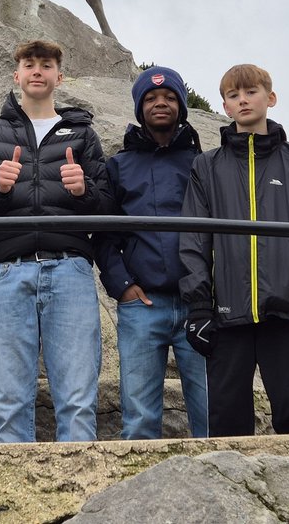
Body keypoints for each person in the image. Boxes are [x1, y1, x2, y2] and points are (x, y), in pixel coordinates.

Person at [179, 63, 289, 437]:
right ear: (225, 107)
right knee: (227, 427)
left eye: (250, 92)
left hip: (287, 312)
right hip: (226, 316)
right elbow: (193, 240)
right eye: (233, 96)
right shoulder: (206, 167)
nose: (242, 100)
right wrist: (200, 305)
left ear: (270, 98)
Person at [0, 39, 111, 442]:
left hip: (72, 269)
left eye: (46, 65)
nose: (37, 71)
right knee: (10, 398)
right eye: (29, 64)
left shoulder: (82, 134)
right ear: (17, 75)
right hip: (9, 271)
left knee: (78, 397)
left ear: (58, 77)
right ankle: (8, 499)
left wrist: (85, 192)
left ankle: (85, 498)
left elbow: (109, 209)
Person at [94, 66, 208, 439]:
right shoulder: (119, 166)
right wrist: (122, 285)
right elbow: (105, 233)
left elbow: (220, 232)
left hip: (200, 305)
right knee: (140, 421)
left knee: (212, 416)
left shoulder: (202, 165)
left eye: (169, 97)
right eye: (151, 98)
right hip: (142, 307)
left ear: (182, 106)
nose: (160, 103)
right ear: (139, 108)